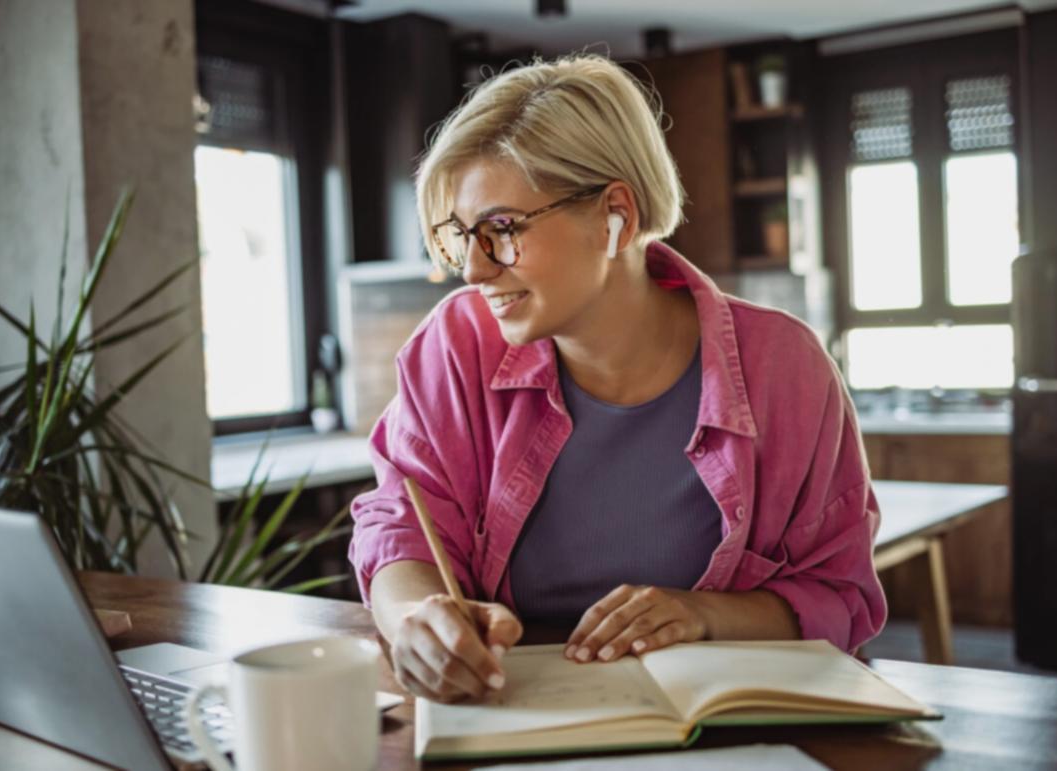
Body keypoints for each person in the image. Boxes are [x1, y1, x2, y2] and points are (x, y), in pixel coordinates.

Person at [349, 53, 886, 704]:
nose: (473, 269)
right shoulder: (454, 346)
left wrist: (703, 615)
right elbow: (400, 524)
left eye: (501, 230)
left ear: (617, 217)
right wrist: (415, 618)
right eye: (459, 235)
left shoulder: (785, 368)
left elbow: (843, 593)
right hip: (515, 717)